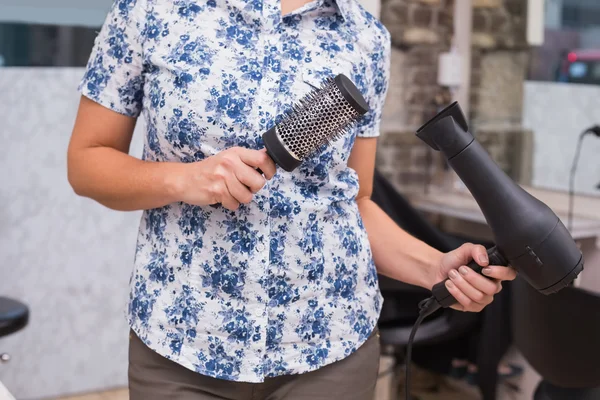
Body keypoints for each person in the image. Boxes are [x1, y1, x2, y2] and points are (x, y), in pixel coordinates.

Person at [67, 0, 518, 399]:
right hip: (182, 344)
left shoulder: (365, 37)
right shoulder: (150, 11)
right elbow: (87, 163)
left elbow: (355, 199)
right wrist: (186, 180)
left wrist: (430, 267)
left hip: (330, 348)